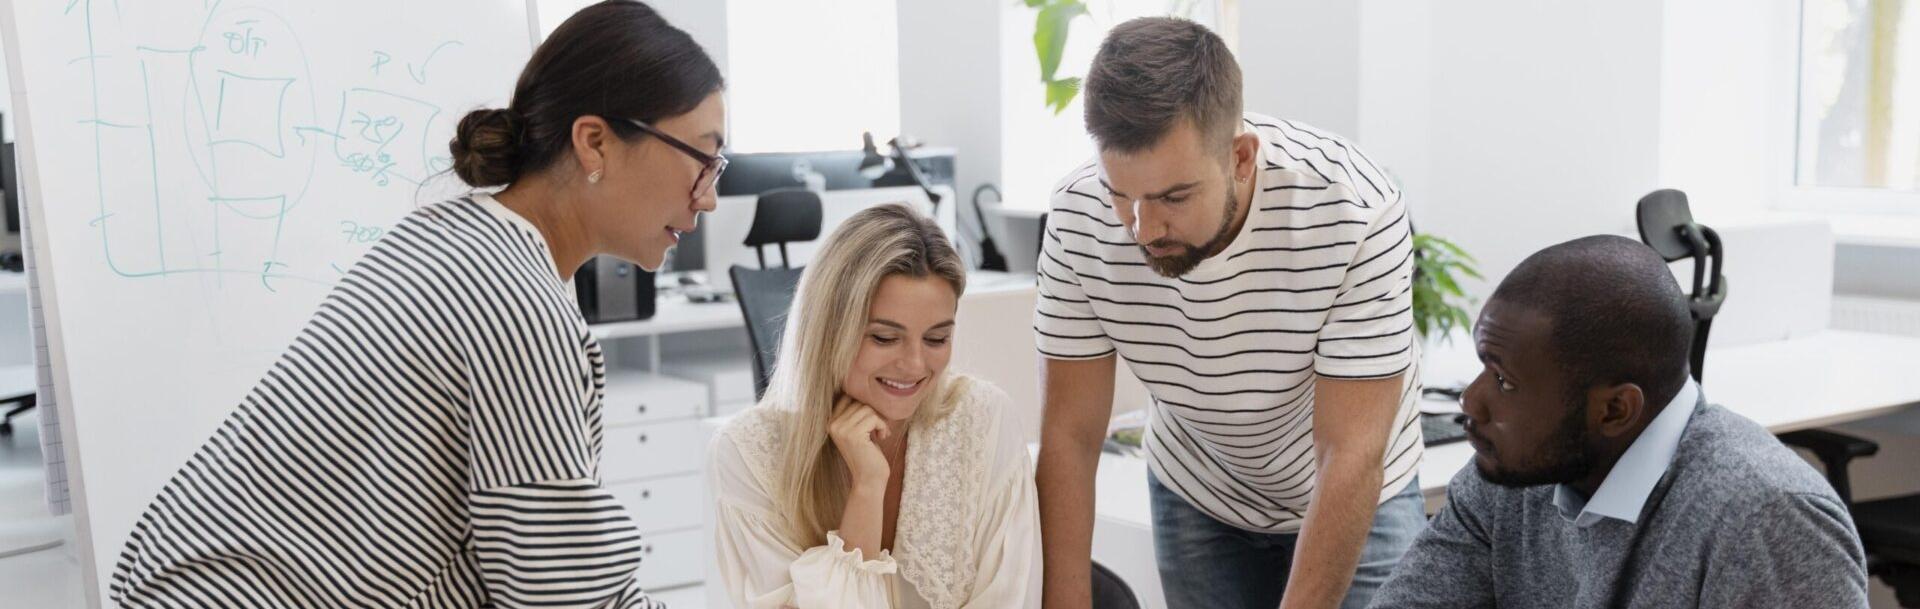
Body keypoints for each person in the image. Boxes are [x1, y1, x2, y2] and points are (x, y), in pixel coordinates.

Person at [107, 2, 725, 607]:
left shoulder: (447, 234)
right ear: (594, 143)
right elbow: (562, 594)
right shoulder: (520, 306)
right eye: (702, 160)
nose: (708, 199)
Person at [1033, 17, 1424, 609]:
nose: (1142, 230)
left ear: (1241, 158)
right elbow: (1069, 434)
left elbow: (1349, 453)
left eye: (1173, 197)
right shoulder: (1076, 217)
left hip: (1357, 491)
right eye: (1122, 195)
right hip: (1198, 490)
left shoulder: (1352, 211)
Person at [1369, 236, 1869, 608]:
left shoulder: (1769, 517)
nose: (1470, 403)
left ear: (1614, 410)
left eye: (1503, 382)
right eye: (1482, 367)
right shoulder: (1507, 481)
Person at [709, 204, 1042, 609]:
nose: (915, 365)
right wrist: (867, 488)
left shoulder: (984, 421)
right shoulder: (749, 453)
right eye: (884, 338)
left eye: (936, 339)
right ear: (829, 331)